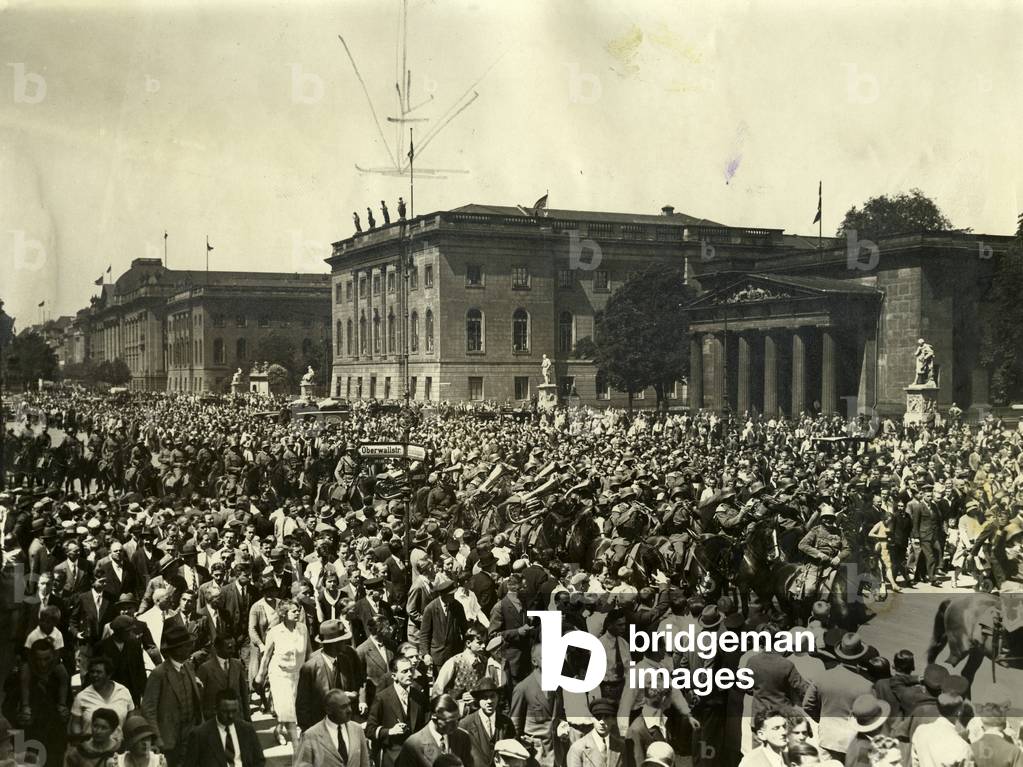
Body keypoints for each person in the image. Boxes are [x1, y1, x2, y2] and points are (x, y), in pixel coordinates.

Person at [140, 624, 203, 767]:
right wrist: (157, 738)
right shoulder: (159, 674)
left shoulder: (188, 667)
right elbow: (148, 710)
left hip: (191, 734)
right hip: (169, 739)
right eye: (186, 646)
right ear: (176, 649)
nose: (190, 648)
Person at [296, 618, 366, 731]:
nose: (346, 643)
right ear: (334, 643)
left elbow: (353, 688)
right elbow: (302, 705)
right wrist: (307, 731)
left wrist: (351, 695)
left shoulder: (345, 661)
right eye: (343, 640)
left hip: (343, 725)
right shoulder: (310, 667)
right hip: (320, 726)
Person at [254, 599, 307, 746]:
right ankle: (293, 738)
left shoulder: (302, 629)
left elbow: (307, 652)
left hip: (296, 673)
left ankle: (278, 729)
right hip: (279, 673)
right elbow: (266, 656)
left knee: (290, 704)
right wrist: (260, 675)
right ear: (284, 614)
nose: (297, 613)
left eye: (298, 610)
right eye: (293, 611)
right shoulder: (275, 632)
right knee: (285, 704)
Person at [367, 655, 430, 767]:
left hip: (416, 757)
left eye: (411, 670)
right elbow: (370, 729)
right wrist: (390, 731)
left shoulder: (419, 697)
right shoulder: (382, 698)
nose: (410, 674)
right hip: (392, 757)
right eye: (404, 671)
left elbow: (426, 726)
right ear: (394, 676)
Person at [183, 689, 264, 767]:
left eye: (234, 711)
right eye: (225, 712)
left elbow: (259, 760)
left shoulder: (247, 729)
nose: (230, 716)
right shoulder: (200, 735)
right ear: (216, 709)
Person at [294, 689, 370, 767]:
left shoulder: (357, 730)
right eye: (343, 707)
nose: (349, 710)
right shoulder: (311, 735)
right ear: (329, 710)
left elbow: (365, 763)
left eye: (349, 705)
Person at [69, 655, 135, 744]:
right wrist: (80, 740)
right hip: (91, 749)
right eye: (92, 672)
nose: (94, 675)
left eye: (99, 672)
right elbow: (75, 723)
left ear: (109, 675)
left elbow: (131, 720)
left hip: (118, 748)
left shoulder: (123, 692)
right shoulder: (82, 696)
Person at [395, 693, 473, 767]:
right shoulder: (413, 745)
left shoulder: (463, 737)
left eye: (457, 720)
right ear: (434, 718)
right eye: (450, 722)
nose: (455, 726)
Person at [460, 677, 516, 767]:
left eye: (492, 696)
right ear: (478, 700)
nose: (489, 701)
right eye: (485, 697)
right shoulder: (465, 724)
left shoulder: (506, 722)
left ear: (498, 698)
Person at [195, 636, 250, 722]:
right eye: (229, 648)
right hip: (213, 720)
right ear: (217, 648)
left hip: (236, 718)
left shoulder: (237, 664)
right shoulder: (205, 668)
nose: (233, 650)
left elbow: (244, 693)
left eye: (234, 647)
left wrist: (247, 717)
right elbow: (199, 698)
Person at [910, 693, 974, 767]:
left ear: (938, 708)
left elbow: (915, 764)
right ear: (959, 712)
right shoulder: (963, 747)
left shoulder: (920, 731)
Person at [565, 698, 625, 767]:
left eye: (607, 717)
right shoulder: (577, 749)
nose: (602, 722)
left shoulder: (621, 747)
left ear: (614, 720)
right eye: (598, 717)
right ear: (591, 719)